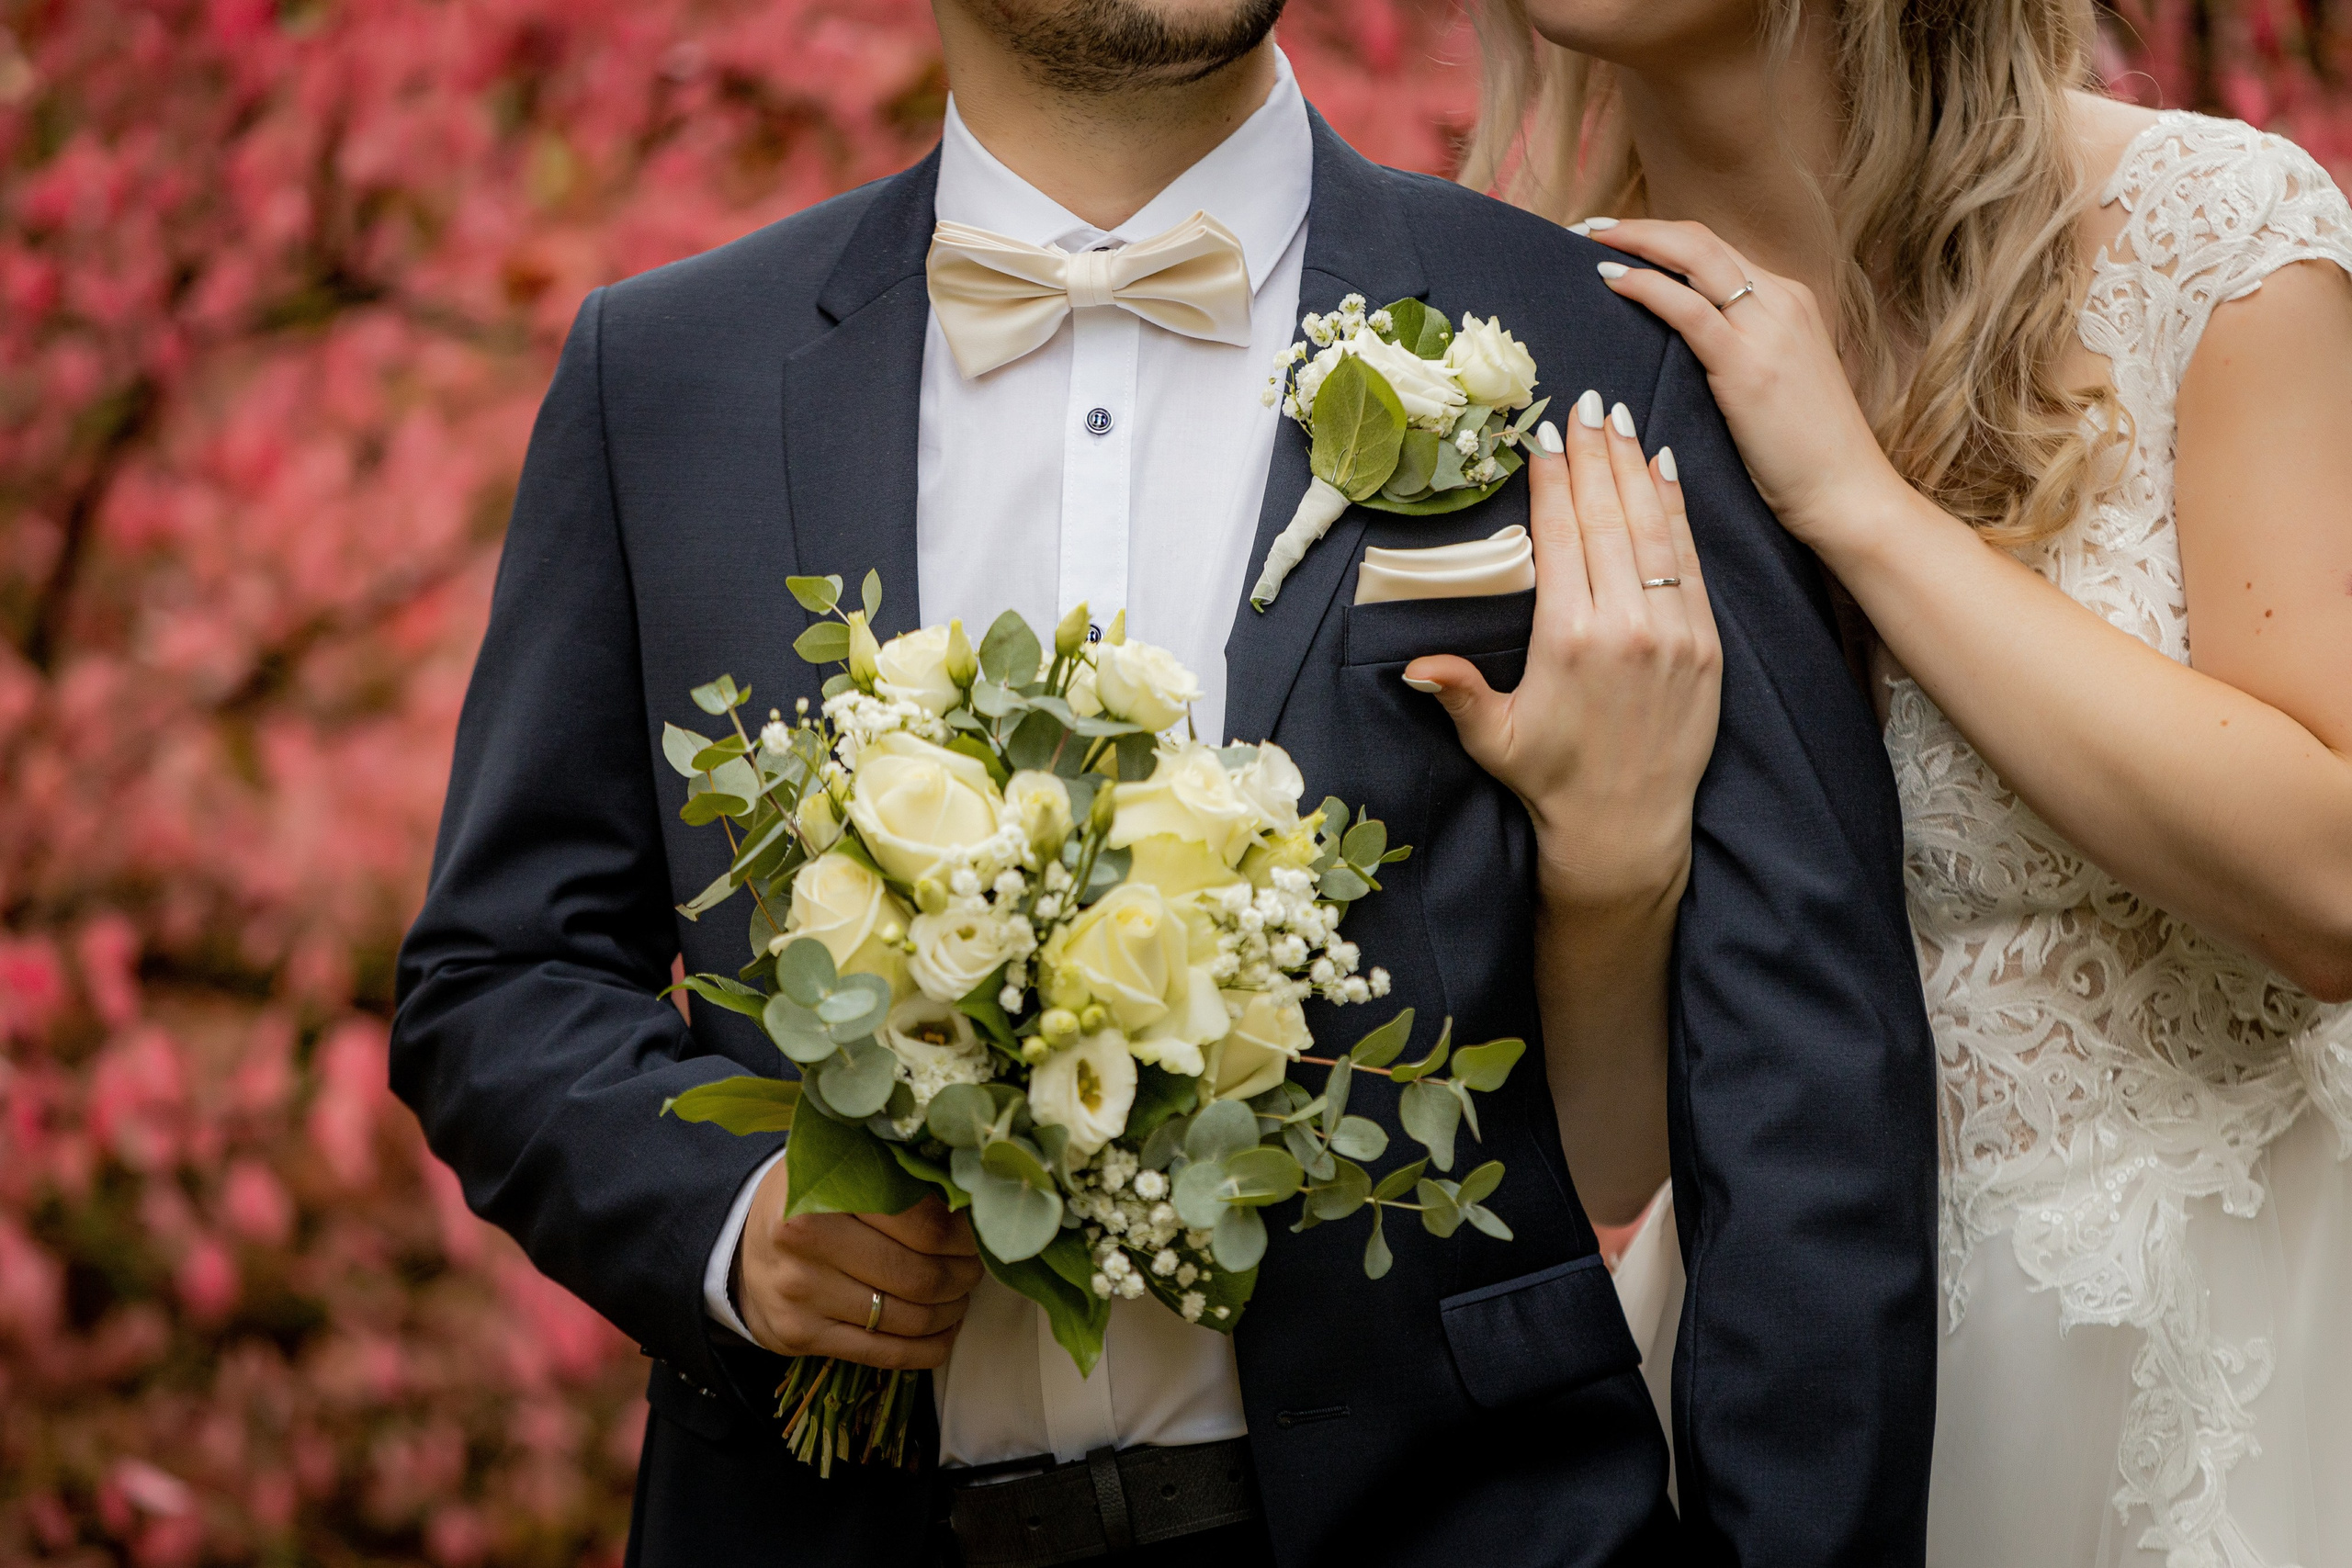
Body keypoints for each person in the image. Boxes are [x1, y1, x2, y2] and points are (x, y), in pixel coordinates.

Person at [391, 0, 1941, 1562]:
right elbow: (498, 975)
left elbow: (1806, 1067)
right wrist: (733, 1226)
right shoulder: (664, 380)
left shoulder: (1602, 343)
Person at [1461, 1, 2352, 1563]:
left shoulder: (2210, 237)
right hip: (1787, 1374)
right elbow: (1604, 1156)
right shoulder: (1510, 351)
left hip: (2228, 1338)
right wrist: (1609, 868)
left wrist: (1856, 506)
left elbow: (2336, 887)